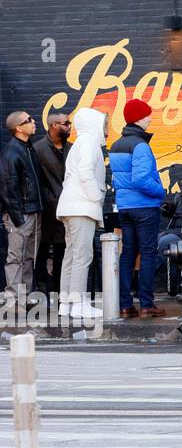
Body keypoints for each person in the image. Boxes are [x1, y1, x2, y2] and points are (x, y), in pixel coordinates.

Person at [108, 99, 166, 318]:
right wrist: (160, 192)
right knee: (148, 254)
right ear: (139, 118)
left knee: (128, 254)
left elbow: (117, 178)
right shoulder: (140, 145)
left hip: (125, 207)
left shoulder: (116, 145)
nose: (150, 118)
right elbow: (142, 178)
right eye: (148, 115)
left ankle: (124, 304)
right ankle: (146, 304)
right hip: (145, 207)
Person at [55, 108, 106, 319]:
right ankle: (78, 304)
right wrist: (95, 198)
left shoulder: (79, 143)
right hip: (81, 208)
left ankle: (66, 304)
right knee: (83, 256)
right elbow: (86, 172)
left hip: (70, 207)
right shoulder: (89, 142)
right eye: (102, 123)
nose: (105, 127)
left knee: (71, 255)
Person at [1, 110, 44, 306]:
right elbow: (7, 187)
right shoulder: (11, 152)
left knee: (28, 258)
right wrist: (18, 218)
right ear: (18, 127)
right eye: (29, 120)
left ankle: (24, 297)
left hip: (33, 212)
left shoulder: (28, 148)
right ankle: (13, 300)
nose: (34, 122)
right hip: (21, 214)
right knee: (16, 257)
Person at [31, 112, 70, 301]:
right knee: (43, 250)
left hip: (68, 208)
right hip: (48, 210)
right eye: (66, 123)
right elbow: (35, 181)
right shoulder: (38, 149)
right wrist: (49, 199)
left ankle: (60, 292)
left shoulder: (71, 148)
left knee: (63, 250)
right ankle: (42, 291)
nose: (69, 127)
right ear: (53, 125)